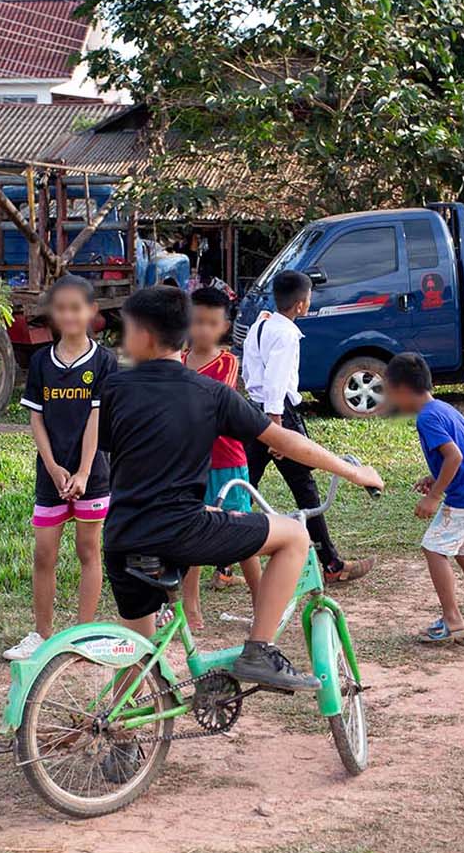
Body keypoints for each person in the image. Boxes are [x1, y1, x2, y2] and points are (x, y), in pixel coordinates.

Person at [99, 285, 383, 696]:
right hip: (180, 530)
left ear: (142, 336)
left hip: (123, 534)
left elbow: (114, 449)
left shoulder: (115, 389)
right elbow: (285, 441)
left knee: (139, 651)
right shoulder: (209, 393)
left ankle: (119, 734)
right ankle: (260, 648)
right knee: (295, 535)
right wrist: (354, 472)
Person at [5, 276, 117, 662]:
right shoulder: (40, 362)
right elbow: (36, 419)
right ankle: (42, 635)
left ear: (91, 312)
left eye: (76, 308)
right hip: (50, 477)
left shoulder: (105, 363)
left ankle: (84, 635)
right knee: (44, 554)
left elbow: (96, 419)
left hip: (94, 476)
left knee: (88, 551)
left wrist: (84, 473)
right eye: (61, 308)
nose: (69, 315)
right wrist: (53, 468)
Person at [241, 269, 373, 584]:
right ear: (302, 304)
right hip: (277, 414)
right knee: (304, 488)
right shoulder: (286, 334)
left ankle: (224, 565)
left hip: (253, 411)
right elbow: (275, 381)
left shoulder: (260, 325)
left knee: (247, 485)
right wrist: (278, 430)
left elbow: (250, 372)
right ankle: (332, 564)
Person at [383, 352, 464, 647]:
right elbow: (459, 456)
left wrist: (434, 495)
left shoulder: (427, 418)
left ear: (402, 389)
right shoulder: (443, 408)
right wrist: (436, 477)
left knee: (434, 548)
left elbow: (454, 455)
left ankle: (452, 618)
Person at [180, 286, 260, 629]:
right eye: (197, 321)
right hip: (191, 465)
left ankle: (262, 602)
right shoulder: (178, 361)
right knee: (192, 536)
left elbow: (215, 401)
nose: (202, 329)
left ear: (223, 326)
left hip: (229, 462)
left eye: (210, 323)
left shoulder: (227, 362)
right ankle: (191, 607)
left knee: (243, 539)